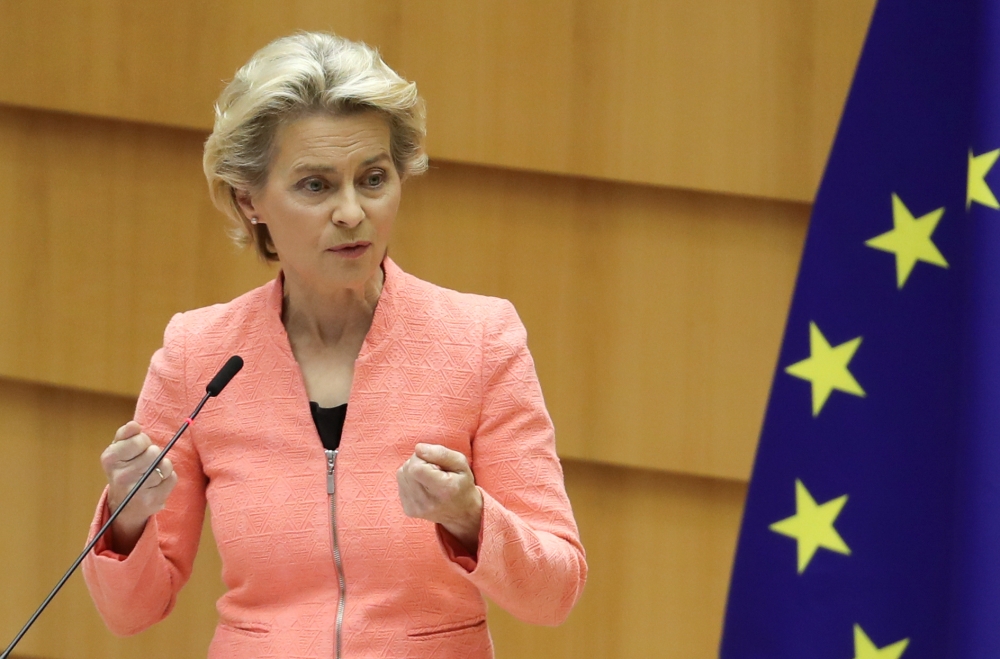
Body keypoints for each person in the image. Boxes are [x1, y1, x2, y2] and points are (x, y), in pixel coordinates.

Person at [80, 31, 587, 658]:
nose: (351, 212)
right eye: (315, 186)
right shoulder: (198, 353)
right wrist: (127, 513)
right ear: (249, 199)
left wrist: (470, 516)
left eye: (372, 179)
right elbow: (130, 613)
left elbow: (555, 593)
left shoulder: (480, 340)